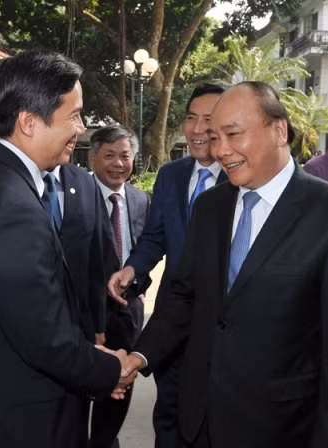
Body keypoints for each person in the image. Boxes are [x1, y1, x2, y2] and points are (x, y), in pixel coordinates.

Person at [118, 82, 328, 448]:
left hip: (282, 428)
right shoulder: (210, 208)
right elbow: (186, 297)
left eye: (233, 134)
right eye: (215, 137)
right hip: (198, 421)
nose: (221, 150)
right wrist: (139, 355)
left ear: (278, 130)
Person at [0, 49, 125, 448]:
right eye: (73, 116)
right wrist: (112, 369)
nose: (81, 128)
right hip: (28, 420)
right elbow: (45, 338)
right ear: (29, 122)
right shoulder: (10, 206)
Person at [108, 83, 227, 448]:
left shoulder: (241, 180)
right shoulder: (171, 175)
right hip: (171, 320)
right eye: (191, 117)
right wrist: (132, 269)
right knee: (170, 414)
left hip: (219, 325)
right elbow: (156, 236)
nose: (197, 129)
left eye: (209, 119)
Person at [89, 125, 150, 448]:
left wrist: (136, 281)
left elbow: (148, 250)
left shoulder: (141, 199)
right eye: (109, 155)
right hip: (89, 311)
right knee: (84, 383)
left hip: (128, 311)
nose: (118, 163)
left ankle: (105, 441)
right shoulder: (78, 195)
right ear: (94, 157)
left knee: (122, 381)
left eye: (125, 156)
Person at [43, 161, 110, 346]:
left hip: (80, 323)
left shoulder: (84, 181)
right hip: (31, 323)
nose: (70, 147)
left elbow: (96, 259)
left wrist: (99, 324)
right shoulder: (14, 181)